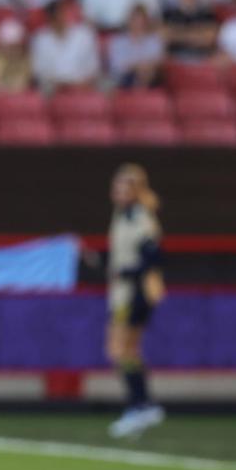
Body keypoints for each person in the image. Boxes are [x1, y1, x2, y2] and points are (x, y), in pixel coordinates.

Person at [105, 163, 166, 439]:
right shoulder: (122, 214)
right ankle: (142, 405)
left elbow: (151, 258)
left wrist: (125, 272)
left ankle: (139, 405)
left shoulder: (139, 217)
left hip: (134, 293)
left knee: (121, 349)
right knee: (127, 351)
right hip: (124, 292)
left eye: (124, 187)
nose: (118, 192)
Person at [107, 4, 166, 89]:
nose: (138, 23)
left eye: (141, 20)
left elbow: (158, 61)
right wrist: (137, 67)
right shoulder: (118, 42)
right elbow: (116, 67)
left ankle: (142, 93)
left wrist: (144, 68)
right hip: (125, 80)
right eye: (135, 19)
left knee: (151, 74)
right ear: (129, 20)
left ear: (146, 21)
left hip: (151, 79)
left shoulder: (154, 40)